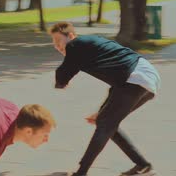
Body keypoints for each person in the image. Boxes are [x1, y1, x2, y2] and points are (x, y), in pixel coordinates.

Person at [50, 21, 160, 176]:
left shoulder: (75, 44)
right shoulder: (87, 46)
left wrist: (61, 83)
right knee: (108, 123)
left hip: (135, 78)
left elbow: (63, 73)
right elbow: (117, 85)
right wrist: (101, 111)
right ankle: (143, 166)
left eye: (58, 41)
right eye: (54, 43)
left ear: (71, 36)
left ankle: (81, 173)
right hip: (145, 78)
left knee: (105, 124)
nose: (57, 46)